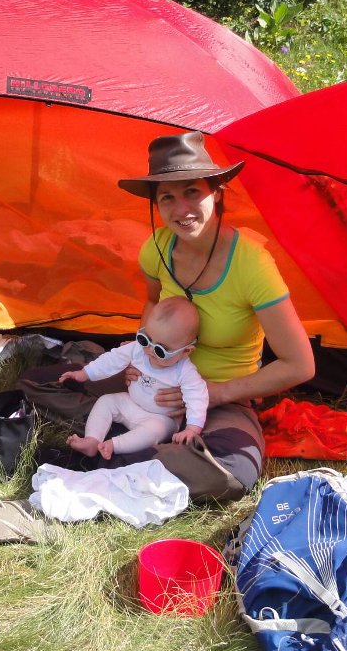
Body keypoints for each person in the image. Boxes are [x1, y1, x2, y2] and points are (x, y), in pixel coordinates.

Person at [113, 131, 316, 493]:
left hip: (222, 398)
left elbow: (300, 364)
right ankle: (144, 458)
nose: (181, 210)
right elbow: (152, 303)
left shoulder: (252, 264)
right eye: (167, 198)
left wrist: (215, 394)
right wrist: (140, 357)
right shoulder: (156, 248)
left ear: (216, 193)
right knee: (61, 381)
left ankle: (116, 457)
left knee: (234, 472)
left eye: (192, 191)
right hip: (155, 383)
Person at [59, 295, 208, 460]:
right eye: (146, 339)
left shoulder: (185, 371)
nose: (150, 350)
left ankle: (114, 445)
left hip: (161, 418)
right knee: (106, 401)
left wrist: (192, 428)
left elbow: (197, 397)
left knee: (155, 431)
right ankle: (92, 440)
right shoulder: (137, 349)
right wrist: (84, 373)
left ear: (186, 351)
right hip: (131, 403)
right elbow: (112, 359)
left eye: (161, 350)